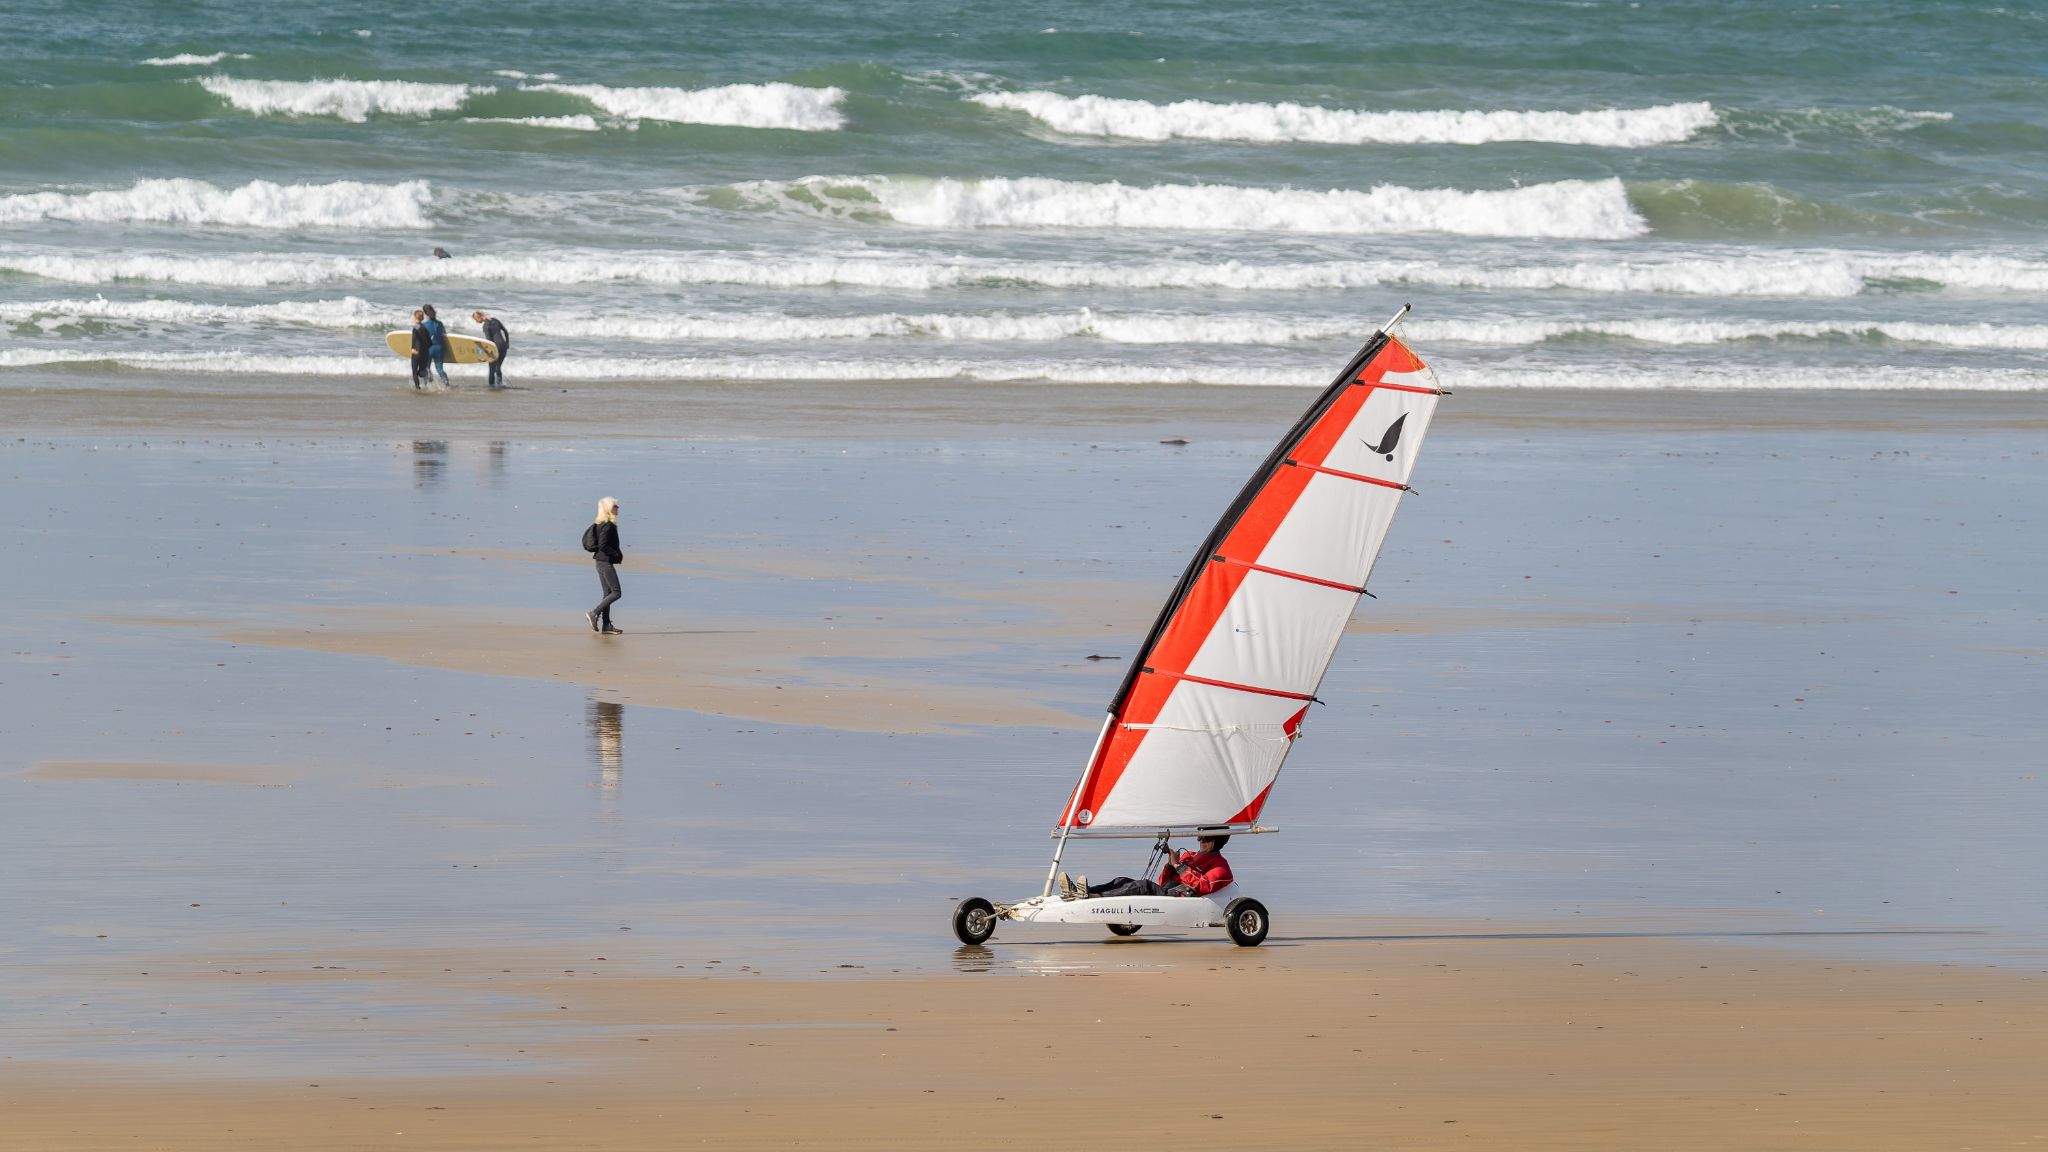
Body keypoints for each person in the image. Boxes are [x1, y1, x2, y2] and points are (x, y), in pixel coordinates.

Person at [1063, 834, 1233, 900]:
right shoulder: (1190, 855)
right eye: (1200, 838)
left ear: (1214, 842)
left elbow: (1204, 885)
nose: (1201, 841)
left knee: (1144, 886)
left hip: (1181, 898)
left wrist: (1178, 865)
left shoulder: (1221, 866)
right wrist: (1170, 864)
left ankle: (1092, 896)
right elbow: (1163, 882)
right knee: (1122, 880)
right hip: (1168, 891)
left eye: (1205, 839)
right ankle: (1081, 891)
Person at [583, 496, 624, 634]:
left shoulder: (600, 524)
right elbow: (603, 545)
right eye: (615, 506)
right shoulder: (608, 526)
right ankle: (594, 613)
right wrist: (616, 554)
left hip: (600, 562)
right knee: (616, 592)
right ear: (608, 509)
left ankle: (606, 625)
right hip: (605, 562)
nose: (617, 508)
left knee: (607, 593)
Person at [473, 310, 509, 388]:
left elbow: (489, 341)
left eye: (476, 320)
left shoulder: (486, 326)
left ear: (479, 317)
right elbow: (506, 331)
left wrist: (485, 351)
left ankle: (491, 386)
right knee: (498, 367)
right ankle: (500, 384)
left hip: (496, 347)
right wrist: (507, 343)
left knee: (492, 369)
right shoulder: (495, 320)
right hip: (503, 346)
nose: (476, 322)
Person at [420, 304, 450, 387]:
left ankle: (427, 384)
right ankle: (446, 384)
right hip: (440, 348)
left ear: (425, 314)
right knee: (439, 368)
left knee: (426, 367)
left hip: (428, 349)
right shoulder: (440, 324)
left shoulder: (424, 325)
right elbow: (444, 335)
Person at [407, 309, 430, 389]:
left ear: (415, 317)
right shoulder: (425, 328)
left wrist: (413, 348)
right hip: (425, 353)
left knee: (414, 371)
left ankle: (417, 387)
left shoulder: (415, 328)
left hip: (417, 352)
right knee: (421, 372)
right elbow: (429, 342)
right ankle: (422, 374)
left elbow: (414, 339)